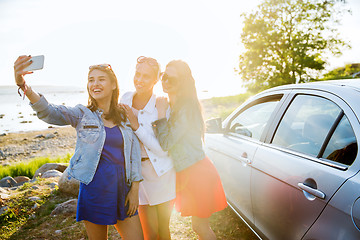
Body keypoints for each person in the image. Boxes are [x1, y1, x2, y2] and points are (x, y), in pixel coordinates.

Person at [13, 55, 144, 240]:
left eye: (101, 79)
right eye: (91, 80)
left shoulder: (124, 116)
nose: (94, 84)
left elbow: (134, 153)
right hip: (95, 187)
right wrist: (24, 86)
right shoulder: (83, 114)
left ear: (114, 85)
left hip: (123, 187)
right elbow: (50, 112)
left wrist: (135, 188)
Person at [152, 60, 227, 240]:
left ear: (183, 82)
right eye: (164, 76)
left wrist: (161, 115)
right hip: (190, 171)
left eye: (172, 79)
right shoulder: (176, 105)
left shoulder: (185, 108)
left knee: (201, 227)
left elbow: (166, 142)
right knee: (198, 227)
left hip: (197, 172)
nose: (166, 81)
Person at [120, 56, 176, 240]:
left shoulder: (161, 105)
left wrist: (136, 126)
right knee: (149, 233)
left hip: (162, 174)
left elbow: (163, 149)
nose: (139, 80)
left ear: (156, 80)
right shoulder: (125, 98)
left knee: (163, 231)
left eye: (146, 76)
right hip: (138, 176)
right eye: (137, 74)